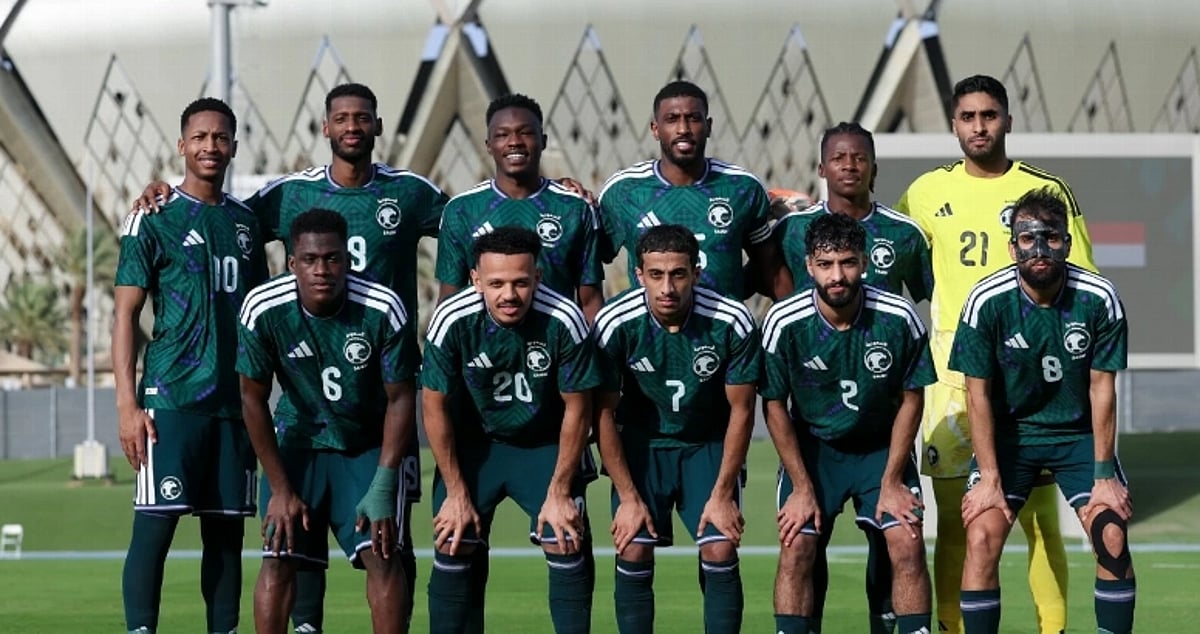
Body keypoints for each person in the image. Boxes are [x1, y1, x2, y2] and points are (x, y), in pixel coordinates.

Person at [136, 82, 446, 632]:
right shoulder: (286, 200)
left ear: (378, 126)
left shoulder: (410, 195)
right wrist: (169, 193)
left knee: (390, 545)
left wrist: (551, 192)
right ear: (325, 128)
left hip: (374, 411)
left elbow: (473, 226)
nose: (352, 127)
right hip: (300, 422)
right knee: (283, 551)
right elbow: (219, 213)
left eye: (362, 118)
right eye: (341, 118)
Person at [895, 74, 1098, 634]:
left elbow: (1083, 283)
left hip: (1029, 388)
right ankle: (951, 628)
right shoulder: (924, 193)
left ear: (1007, 119)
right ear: (954, 124)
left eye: (989, 115)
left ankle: (1052, 629)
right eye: (968, 117)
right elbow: (894, 264)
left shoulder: (1046, 192)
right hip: (952, 382)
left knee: (1040, 524)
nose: (979, 126)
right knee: (957, 524)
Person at [767, 121, 932, 633]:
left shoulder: (899, 312)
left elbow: (913, 395)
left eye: (847, 264)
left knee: (904, 538)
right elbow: (772, 404)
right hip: (815, 446)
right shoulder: (785, 313)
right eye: (826, 265)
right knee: (798, 543)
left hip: (881, 442)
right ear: (809, 265)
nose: (837, 275)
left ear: (864, 262)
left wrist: (892, 480)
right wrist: (800, 485)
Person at [114, 97, 268, 634]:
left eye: (220, 137)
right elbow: (125, 314)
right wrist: (127, 405)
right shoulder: (153, 217)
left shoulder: (246, 223)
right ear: (182, 145)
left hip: (235, 407)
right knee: (154, 530)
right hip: (171, 399)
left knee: (226, 539)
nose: (210, 146)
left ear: (234, 146)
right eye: (200, 137)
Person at [950, 188, 1133, 634]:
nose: (1039, 249)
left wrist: (1104, 475)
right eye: (1027, 238)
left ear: (1067, 243)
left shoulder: (1098, 297)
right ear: (1012, 247)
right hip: (1010, 438)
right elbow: (976, 394)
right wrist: (989, 478)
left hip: (1077, 436)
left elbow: (1102, 388)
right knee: (980, 537)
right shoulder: (986, 300)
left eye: (1050, 237)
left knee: (1111, 534)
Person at [236, 209, 418, 634]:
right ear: (292, 263)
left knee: (383, 554)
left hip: (364, 446)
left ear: (347, 259)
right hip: (297, 445)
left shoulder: (382, 306)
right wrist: (280, 488)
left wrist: (384, 482)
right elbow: (252, 398)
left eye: (333, 258)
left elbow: (401, 397)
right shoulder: (263, 308)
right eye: (310, 259)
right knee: (278, 556)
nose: (322, 269)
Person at [421, 226, 600, 634]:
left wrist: (559, 491)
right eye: (496, 283)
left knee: (565, 535)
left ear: (537, 277)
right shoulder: (451, 319)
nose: (509, 295)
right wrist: (455, 493)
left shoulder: (564, 318)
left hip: (543, 445)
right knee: (453, 537)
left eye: (521, 282)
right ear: (475, 280)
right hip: (475, 446)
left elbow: (579, 408)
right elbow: (433, 405)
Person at [593, 225, 759, 633]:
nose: (667, 287)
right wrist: (628, 497)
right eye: (656, 275)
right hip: (641, 445)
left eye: (678, 274)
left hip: (706, 443)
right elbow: (602, 414)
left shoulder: (731, 320)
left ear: (696, 273)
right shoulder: (615, 323)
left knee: (720, 548)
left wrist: (722, 494)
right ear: (639, 275)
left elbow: (742, 410)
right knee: (633, 548)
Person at [597, 80, 773, 300]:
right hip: (651, 322)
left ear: (708, 126)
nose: (683, 129)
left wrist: (731, 295)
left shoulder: (742, 187)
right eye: (672, 119)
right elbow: (585, 264)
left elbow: (770, 267)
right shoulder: (623, 191)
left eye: (693, 118)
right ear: (655, 129)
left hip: (721, 321)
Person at [436, 92, 604, 320]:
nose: (514, 141)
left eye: (525, 132)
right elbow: (449, 301)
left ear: (543, 141)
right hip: (485, 342)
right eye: (502, 134)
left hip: (557, 340)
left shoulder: (574, 208)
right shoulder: (461, 210)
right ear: (488, 145)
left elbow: (591, 301)